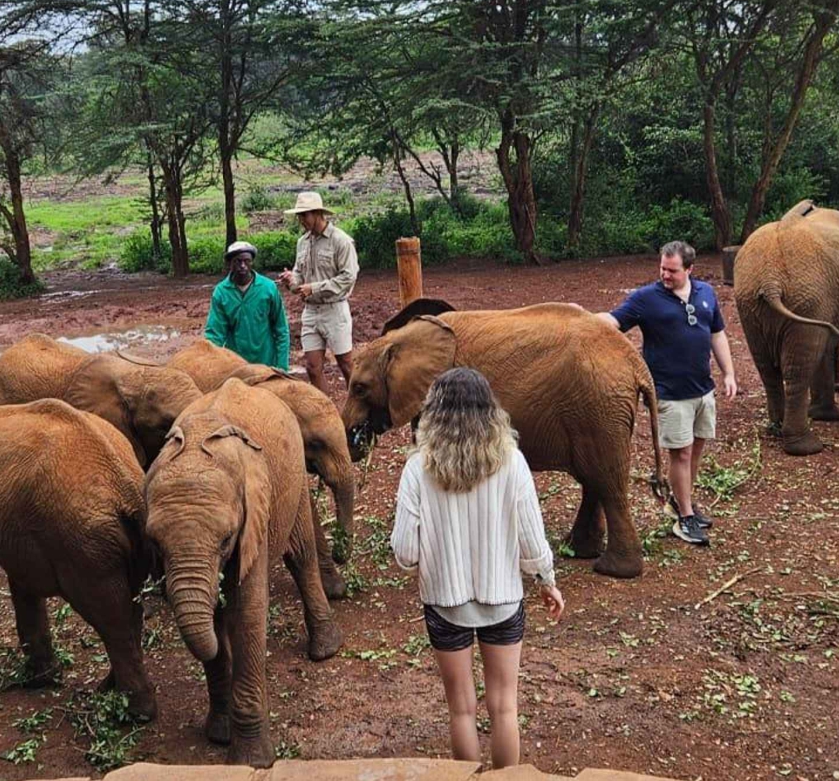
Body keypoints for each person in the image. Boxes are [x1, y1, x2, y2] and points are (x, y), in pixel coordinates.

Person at [390, 367, 565, 767]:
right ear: (491, 410)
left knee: (461, 710)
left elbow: (405, 552)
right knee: (504, 707)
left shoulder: (417, 469)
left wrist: (431, 555)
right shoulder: (513, 462)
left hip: (444, 604)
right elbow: (532, 537)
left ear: (432, 413)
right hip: (503, 600)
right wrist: (547, 580)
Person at [595, 240, 737, 547]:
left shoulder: (706, 293)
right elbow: (614, 321)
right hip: (669, 393)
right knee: (681, 453)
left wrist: (728, 373)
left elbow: (717, 334)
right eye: (662, 268)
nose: (665, 275)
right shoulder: (647, 298)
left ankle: (679, 501)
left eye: (672, 270)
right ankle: (685, 517)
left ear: (690, 269)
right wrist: (583, 318)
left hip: (702, 389)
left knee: (695, 450)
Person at [277, 191, 359, 390]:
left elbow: (348, 277)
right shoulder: (303, 242)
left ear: (317, 213)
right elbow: (299, 276)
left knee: (346, 364)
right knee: (313, 367)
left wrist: (314, 288)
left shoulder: (341, 241)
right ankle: (324, 408)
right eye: (299, 215)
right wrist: (291, 280)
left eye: (304, 215)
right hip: (311, 311)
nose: (301, 220)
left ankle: (360, 406)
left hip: (334, 309)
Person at [203, 240, 290, 369]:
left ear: (252, 262)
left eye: (247, 261)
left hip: (267, 364)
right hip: (236, 366)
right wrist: (210, 363)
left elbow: (281, 329)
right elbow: (215, 334)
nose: (242, 266)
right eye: (237, 261)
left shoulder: (268, 288)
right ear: (230, 264)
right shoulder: (221, 292)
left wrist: (282, 366)